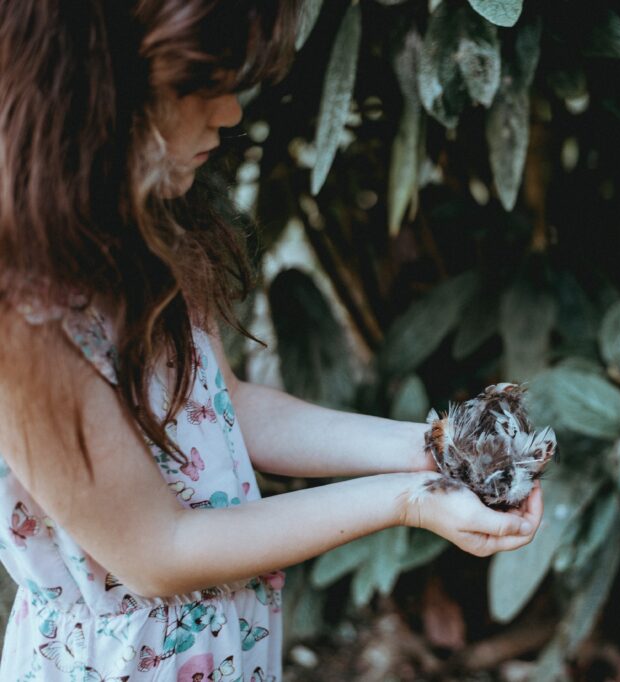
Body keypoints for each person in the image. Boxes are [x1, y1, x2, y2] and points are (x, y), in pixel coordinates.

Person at [0, 1, 543, 679]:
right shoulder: (19, 324)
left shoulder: (138, 228)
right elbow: (157, 552)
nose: (230, 115)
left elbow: (223, 409)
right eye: (198, 88)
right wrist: (408, 501)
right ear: (87, 92)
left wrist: (430, 452)